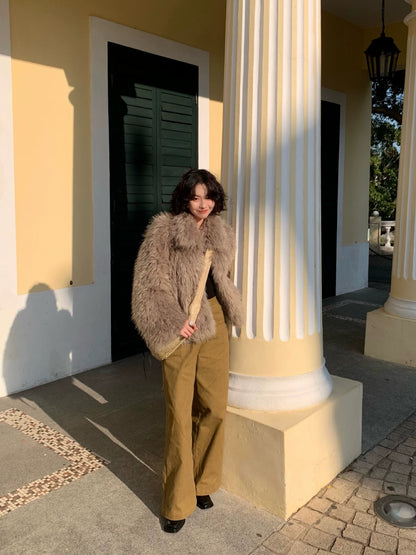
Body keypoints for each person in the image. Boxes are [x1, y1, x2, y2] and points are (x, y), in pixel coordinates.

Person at [131, 168, 243, 533]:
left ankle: (203, 482)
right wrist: (171, 320)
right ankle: (177, 502)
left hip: (214, 321)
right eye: (195, 197)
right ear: (184, 198)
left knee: (214, 406)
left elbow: (221, 278)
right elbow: (148, 285)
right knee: (179, 412)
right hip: (181, 323)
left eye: (208, 197)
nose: (203, 204)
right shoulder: (163, 231)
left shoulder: (222, 232)